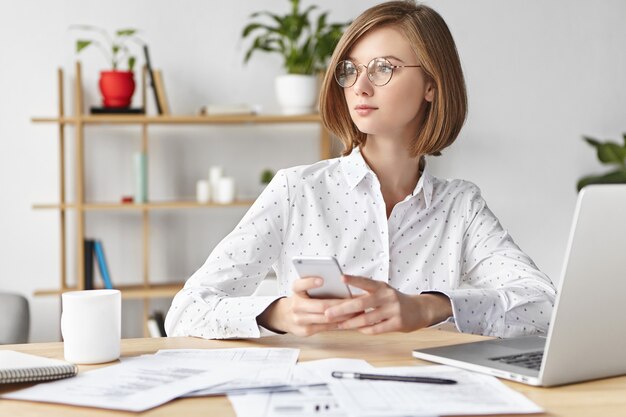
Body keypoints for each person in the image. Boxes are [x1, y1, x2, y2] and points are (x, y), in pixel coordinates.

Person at [165, 0, 556, 340]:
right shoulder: (296, 190)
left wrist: (429, 308)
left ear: (431, 85)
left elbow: (543, 306)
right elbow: (185, 313)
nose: (360, 86)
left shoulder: (460, 206)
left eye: (383, 68)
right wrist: (279, 313)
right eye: (350, 70)